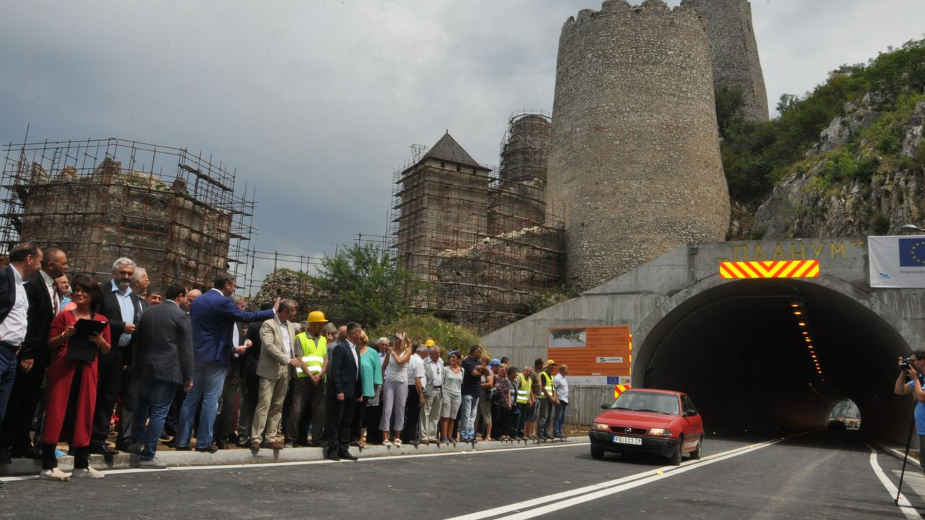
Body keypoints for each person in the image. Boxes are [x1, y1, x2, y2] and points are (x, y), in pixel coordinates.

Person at [176, 274, 277, 452]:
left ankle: (182, 441)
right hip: (216, 358)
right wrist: (272, 311)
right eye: (233, 286)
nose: (235, 289)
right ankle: (204, 442)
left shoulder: (199, 300)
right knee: (210, 400)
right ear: (227, 285)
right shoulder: (224, 302)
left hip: (197, 355)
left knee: (191, 399)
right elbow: (245, 316)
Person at [40, 274, 111, 480]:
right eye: (77, 290)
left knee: (84, 414)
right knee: (56, 413)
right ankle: (48, 465)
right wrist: (65, 335)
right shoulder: (64, 316)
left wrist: (98, 339)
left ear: (92, 296)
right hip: (64, 369)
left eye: (84, 291)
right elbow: (50, 343)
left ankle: (81, 464)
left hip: (88, 370)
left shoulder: (101, 320)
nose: (79, 293)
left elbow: (107, 349)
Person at [2, 246, 66, 462]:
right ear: (49, 264)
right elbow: (30, 321)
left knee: (29, 400)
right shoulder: (32, 284)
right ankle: (8, 443)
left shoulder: (51, 286)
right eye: (63, 263)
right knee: (17, 399)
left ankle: (21, 443)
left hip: (39, 353)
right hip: (25, 352)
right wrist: (27, 352)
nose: (66, 266)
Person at [131, 285, 193, 468]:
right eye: (186, 297)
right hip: (168, 370)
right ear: (180, 296)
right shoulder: (180, 316)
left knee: (142, 409)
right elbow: (186, 350)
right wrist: (188, 376)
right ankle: (148, 455)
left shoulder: (149, 312)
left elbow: (137, 340)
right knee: (159, 412)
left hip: (144, 368)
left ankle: (136, 445)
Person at [90, 257, 142, 454]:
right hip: (102, 350)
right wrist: (121, 326)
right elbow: (96, 319)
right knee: (95, 395)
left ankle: (99, 438)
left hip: (121, 356)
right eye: (123, 273)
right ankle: (86, 437)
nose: (126, 277)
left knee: (109, 397)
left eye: (129, 273)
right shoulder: (102, 293)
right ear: (114, 273)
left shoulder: (134, 298)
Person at [0, 243, 41, 467]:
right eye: (39, 260)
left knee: (2, 410)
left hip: (11, 354)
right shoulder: (4, 277)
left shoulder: (22, 285)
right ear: (28, 259)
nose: (40, 264)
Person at [250, 299, 299, 452]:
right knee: (264, 403)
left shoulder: (291, 326)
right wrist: (287, 359)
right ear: (284, 311)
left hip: (285, 370)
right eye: (292, 311)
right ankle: (256, 438)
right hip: (269, 369)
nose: (294, 314)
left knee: (278, 405)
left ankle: (270, 438)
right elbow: (269, 346)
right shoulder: (268, 324)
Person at [286, 310, 328, 447]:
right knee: (297, 409)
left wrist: (320, 374)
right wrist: (311, 376)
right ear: (313, 324)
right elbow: (299, 358)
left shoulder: (323, 339)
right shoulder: (300, 338)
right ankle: (291, 439)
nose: (322, 326)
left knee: (319, 411)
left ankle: (316, 439)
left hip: (319, 379)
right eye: (320, 324)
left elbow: (325, 359)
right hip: (303, 378)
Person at [214, 296, 251, 449]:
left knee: (230, 406)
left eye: (243, 307)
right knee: (217, 405)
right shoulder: (223, 322)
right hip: (221, 368)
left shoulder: (239, 323)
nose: (242, 310)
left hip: (234, 371)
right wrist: (235, 350)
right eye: (240, 306)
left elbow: (238, 342)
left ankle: (224, 436)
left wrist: (246, 343)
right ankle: (214, 436)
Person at [325, 322, 363, 461]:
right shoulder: (340, 348)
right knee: (336, 421)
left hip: (352, 392)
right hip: (341, 391)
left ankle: (344, 449)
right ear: (351, 334)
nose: (360, 336)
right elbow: (336, 371)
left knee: (347, 422)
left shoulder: (356, 349)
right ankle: (333, 450)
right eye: (358, 333)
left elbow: (357, 372)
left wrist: (359, 392)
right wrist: (339, 390)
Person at [380, 332, 411, 446]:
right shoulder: (390, 352)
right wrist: (383, 380)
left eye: (399, 339)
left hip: (402, 382)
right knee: (387, 409)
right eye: (395, 339)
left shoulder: (407, 352)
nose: (397, 340)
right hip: (390, 382)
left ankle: (397, 436)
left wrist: (392, 352)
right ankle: (385, 437)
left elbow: (400, 361)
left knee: (400, 409)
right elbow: (383, 367)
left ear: (403, 341)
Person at [354, 331, 382, 448]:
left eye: (360, 338)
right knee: (353, 414)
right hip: (353, 388)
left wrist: (376, 387)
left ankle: (362, 437)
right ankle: (353, 437)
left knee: (363, 415)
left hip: (366, 388)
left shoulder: (372, 352)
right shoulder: (353, 350)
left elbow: (377, 371)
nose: (358, 340)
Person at [402, 343, 427, 445]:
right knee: (413, 415)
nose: (427, 354)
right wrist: (421, 395)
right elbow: (418, 379)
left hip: (406, 387)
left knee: (406, 414)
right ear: (422, 352)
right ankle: (411, 437)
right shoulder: (419, 361)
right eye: (426, 352)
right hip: (415, 389)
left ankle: (404, 436)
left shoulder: (409, 358)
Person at [459, 346, 483, 443]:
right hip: (467, 391)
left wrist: (482, 370)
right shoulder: (467, 361)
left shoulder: (479, 362)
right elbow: (474, 373)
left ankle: (470, 435)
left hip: (476, 391)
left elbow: (486, 372)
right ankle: (464, 435)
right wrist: (482, 370)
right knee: (466, 414)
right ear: (473, 352)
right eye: (479, 352)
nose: (480, 354)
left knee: (473, 415)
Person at [420, 343, 443, 444]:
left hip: (440, 390)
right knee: (425, 413)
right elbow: (422, 376)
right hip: (429, 390)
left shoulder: (441, 361)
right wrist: (423, 390)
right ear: (431, 353)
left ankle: (432, 435)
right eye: (436, 353)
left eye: (439, 353)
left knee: (435, 414)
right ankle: (424, 436)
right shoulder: (425, 362)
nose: (438, 355)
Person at [440, 350, 463, 445]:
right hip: (447, 392)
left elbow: (461, 383)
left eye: (454, 357)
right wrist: (443, 394)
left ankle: (450, 436)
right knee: (445, 416)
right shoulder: (445, 369)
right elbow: (442, 382)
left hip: (457, 394)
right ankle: (444, 436)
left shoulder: (462, 370)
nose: (452, 359)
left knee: (453, 417)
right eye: (450, 357)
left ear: (458, 359)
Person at [537, 360, 558, 440]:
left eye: (554, 365)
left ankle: (546, 432)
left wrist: (555, 397)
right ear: (548, 366)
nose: (553, 367)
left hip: (550, 399)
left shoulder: (552, 376)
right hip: (544, 398)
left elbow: (554, 388)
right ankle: (540, 433)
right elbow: (543, 387)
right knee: (543, 416)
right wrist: (551, 397)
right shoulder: (543, 374)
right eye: (551, 365)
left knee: (549, 417)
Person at [478, 357, 497, 441]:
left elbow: (490, 384)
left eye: (482, 361)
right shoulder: (478, 370)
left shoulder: (489, 371)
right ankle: (474, 434)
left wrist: (479, 385)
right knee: (475, 416)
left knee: (487, 416)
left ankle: (488, 435)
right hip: (477, 395)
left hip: (485, 396)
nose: (480, 362)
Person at [492, 365, 513, 441]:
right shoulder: (495, 378)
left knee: (506, 420)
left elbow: (509, 392)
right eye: (501, 370)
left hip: (505, 402)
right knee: (497, 419)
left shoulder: (507, 380)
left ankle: (505, 434)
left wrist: (510, 403)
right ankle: (498, 435)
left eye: (504, 370)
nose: (503, 371)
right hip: (497, 402)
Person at [514, 367, 534, 440]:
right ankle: (515, 434)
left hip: (525, 403)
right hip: (518, 402)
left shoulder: (529, 379)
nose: (530, 374)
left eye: (531, 373)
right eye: (529, 372)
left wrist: (530, 400)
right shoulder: (520, 377)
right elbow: (515, 389)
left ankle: (521, 434)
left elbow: (528, 391)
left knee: (523, 419)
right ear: (525, 371)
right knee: (517, 419)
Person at [553, 364, 569, 439]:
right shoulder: (557, 378)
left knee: (562, 417)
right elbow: (555, 389)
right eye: (566, 369)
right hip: (560, 399)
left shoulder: (564, 377)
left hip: (564, 400)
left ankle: (560, 431)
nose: (567, 371)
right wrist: (556, 399)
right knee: (558, 416)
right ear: (562, 370)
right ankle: (556, 432)